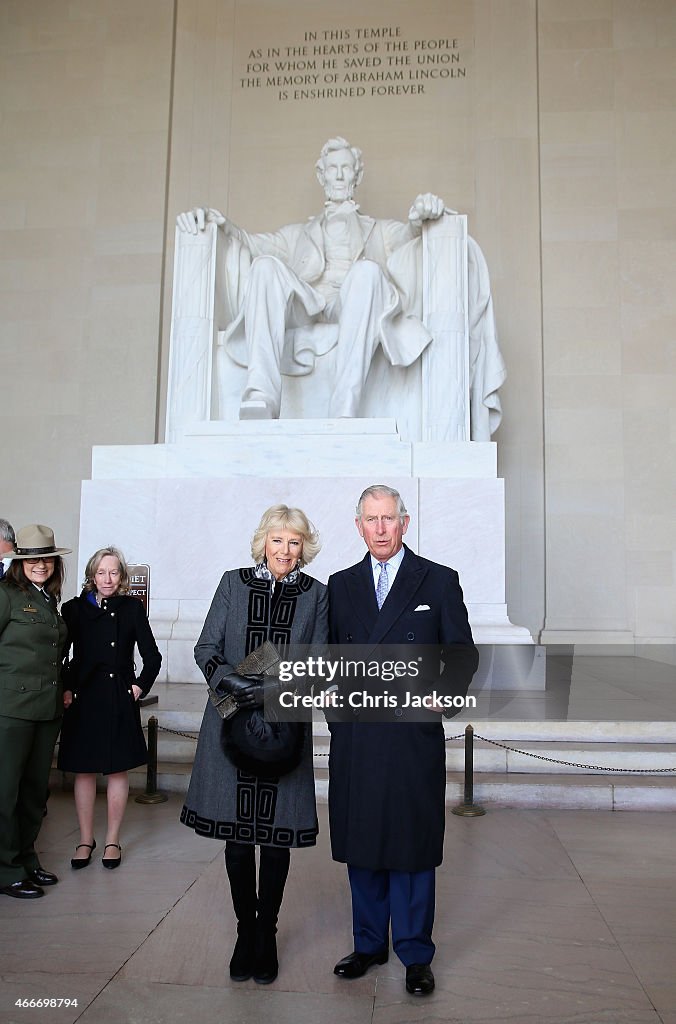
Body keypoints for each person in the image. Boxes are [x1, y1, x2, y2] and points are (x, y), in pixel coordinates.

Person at [176, 136, 505, 436]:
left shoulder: (379, 230)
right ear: (321, 176)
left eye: (345, 168)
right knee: (264, 267)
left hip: (352, 304)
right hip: (308, 306)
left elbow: (410, 235)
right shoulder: (296, 235)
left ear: (356, 177)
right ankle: (261, 395)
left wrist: (424, 215)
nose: (338, 175)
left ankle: (343, 409)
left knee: (367, 272)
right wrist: (215, 222)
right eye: (331, 169)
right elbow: (250, 243)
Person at [327, 485, 479, 996]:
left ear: (405, 523)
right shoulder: (340, 584)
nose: (381, 528)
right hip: (359, 735)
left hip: (412, 734)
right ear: (359, 526)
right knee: (364, 840)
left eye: (389, 518)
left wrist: (445, 694)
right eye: (371, 519)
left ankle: (415, 952)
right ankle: (368, 944)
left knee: (412, 844)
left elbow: (461, 653)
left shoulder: (437, 580)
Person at [181, 504, 328, 985]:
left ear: (303, 547)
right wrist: (233, 683)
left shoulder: (317, 596)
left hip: (283, 727)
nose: (285, 550)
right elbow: (206, 649)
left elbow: (319, 664)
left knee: (276, 840)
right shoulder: (232, 583)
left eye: (294, 542)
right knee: (239, 841)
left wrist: (270, 688)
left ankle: (268, 933)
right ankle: (246, 930)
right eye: (277, 540)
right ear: (262, 541)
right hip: (229, 721)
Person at [57, 547, 161, 870]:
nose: (107, 578)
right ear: (91, 575)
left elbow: (152, 657)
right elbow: (58, 653)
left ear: (122, 577)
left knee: (117, 769)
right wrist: (66, 687)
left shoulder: (131, 609)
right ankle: (85, 839)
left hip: (118, 696)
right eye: (101, 572)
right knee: (84, 771)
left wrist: (137, 687)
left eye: (114, 572)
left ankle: (112, 839)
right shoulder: (72, 610)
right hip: (84, 698)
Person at [0, 524, 71, 899]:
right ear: (19, 561)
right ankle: (6, 869)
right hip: (10, 710)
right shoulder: (6, 596)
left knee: (33, 795)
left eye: (46, 558)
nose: (40, 564)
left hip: (46, 710)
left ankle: (27, 860)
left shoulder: (47, 599)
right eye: (32, 559)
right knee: (5, 793)